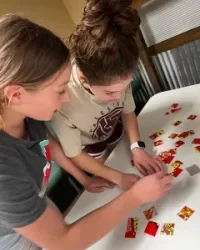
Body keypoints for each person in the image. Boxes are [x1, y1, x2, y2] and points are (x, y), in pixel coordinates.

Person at [0, 14, 172, 250]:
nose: (67, 97)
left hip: (35, 201)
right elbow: (63, 243)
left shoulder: (23, 114)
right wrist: (136, 197)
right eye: (60, 90)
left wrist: (83, 179)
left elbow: (45, 142)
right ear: (16, 94)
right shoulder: (3, 166)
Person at [49, 0, 162, 190]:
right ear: (85, 78)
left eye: (124, 87)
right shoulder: (63, 99)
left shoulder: (116, 70)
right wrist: (118, 177)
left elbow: (127, 112)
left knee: (127, 160)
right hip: (89, 149)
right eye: (110, 92)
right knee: (113, 183)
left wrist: (136, 147)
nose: (119, 97)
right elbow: (75, 154)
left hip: (114, 130)